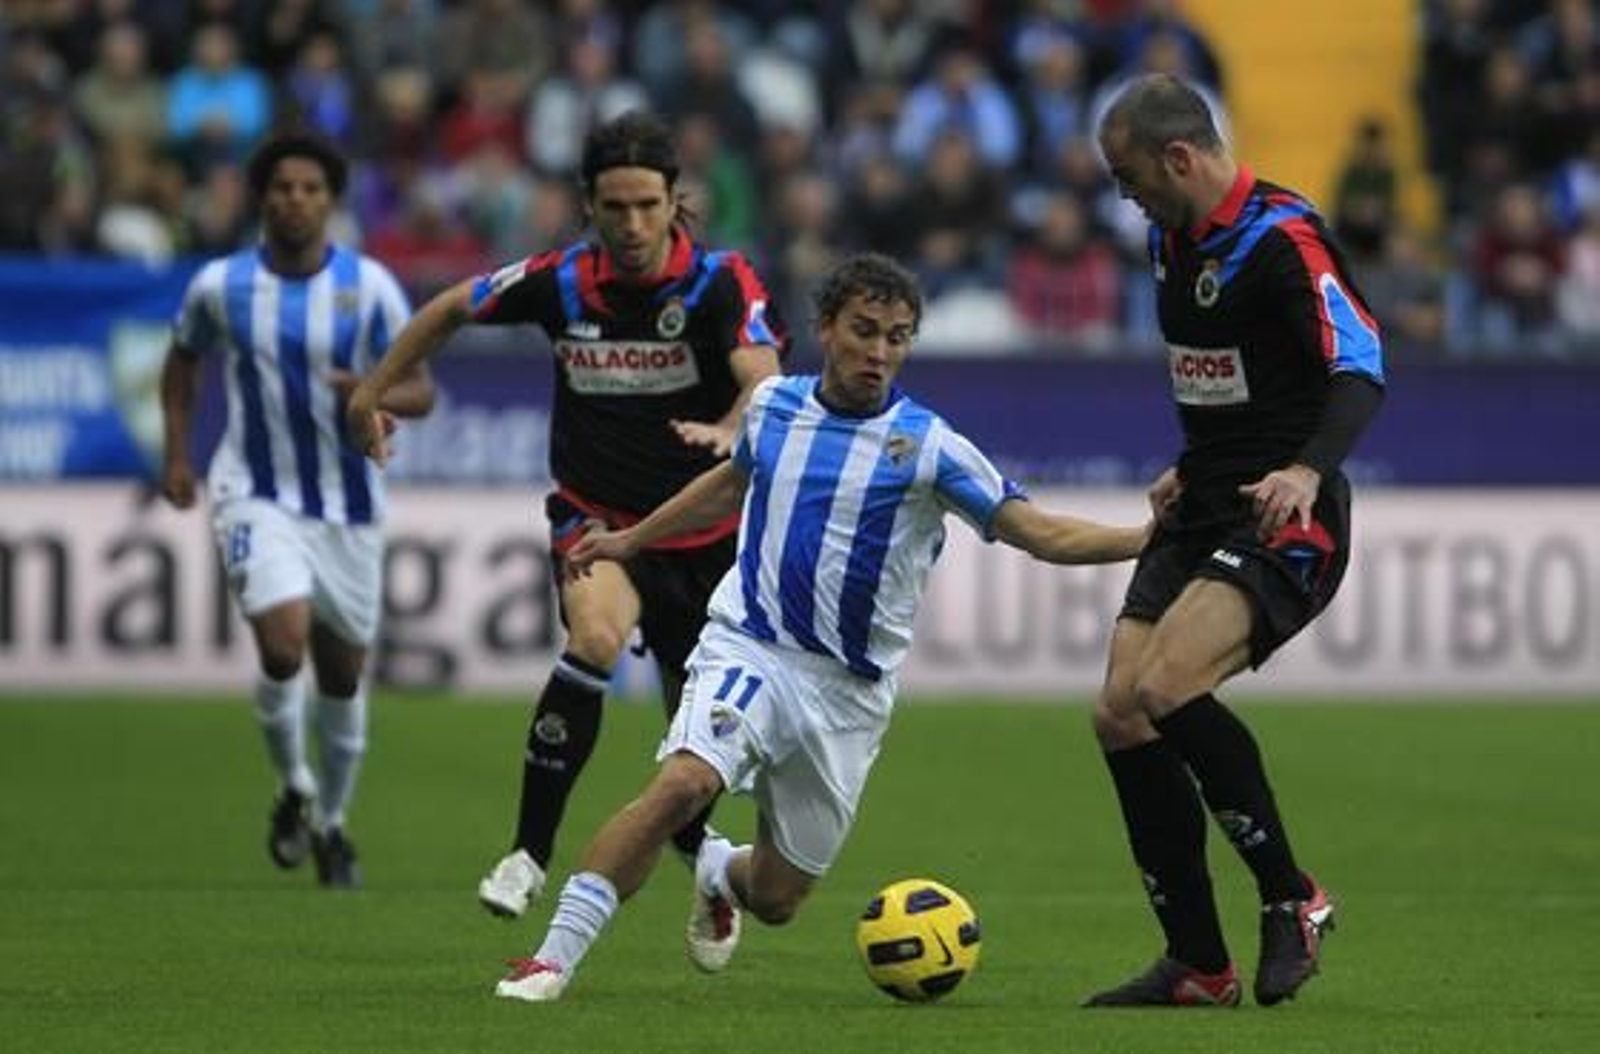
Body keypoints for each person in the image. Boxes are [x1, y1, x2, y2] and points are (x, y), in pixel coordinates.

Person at [484, 252, 1150, 1003]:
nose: (879, 351)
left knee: (776, 897)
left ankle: (715, 873)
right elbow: (730, 482)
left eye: (897, 337)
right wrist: (631, 540)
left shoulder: (928, 446)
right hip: (754, 646)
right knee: (682, 785)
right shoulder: (773, 408)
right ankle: (551, 960)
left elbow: (1039, 532)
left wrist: (1146, 536)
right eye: (864, 331)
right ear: (827, 328)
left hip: (848, 694)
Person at [345, 111, 787, 964]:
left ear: (673, 204)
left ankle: (710, 865)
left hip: (707, 535)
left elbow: (762, 378)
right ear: (588, 204)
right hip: (597, 519)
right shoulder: (560, 281)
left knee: (691, 753)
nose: (630, 226)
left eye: (646, 206)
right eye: (613, 207)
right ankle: (526, 855)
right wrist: (372, 392)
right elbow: (448, 307)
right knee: (592, 636)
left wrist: (735, 425)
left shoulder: (719, 282)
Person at [1086, 73, 1386, 1007]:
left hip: (1280, 518)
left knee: (1165, 686)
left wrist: (1304, 471)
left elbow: (1362, 364)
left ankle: (1294, 897)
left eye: (1130, 176)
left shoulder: (1284, 239)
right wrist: (1192, 458)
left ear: (1180, 156)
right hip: (1204, 501)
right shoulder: (1169, 240)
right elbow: (1223, 375)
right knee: (1122, 715)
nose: (1124, 195)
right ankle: (1198, 966)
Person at [159, 129, 435, 889]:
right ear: (262, 196)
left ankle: (330, 819)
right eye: (282, 187)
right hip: (254, 489)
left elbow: (423, 389)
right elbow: (182, 361)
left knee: (343, 676)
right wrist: (177, 454)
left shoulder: (371, 287)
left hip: (349, 507)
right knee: (284, 645)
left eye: (310, 188)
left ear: (331, 199)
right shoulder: (220, 286)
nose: (295, 200)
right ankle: (294, 784)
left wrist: (373, 392)